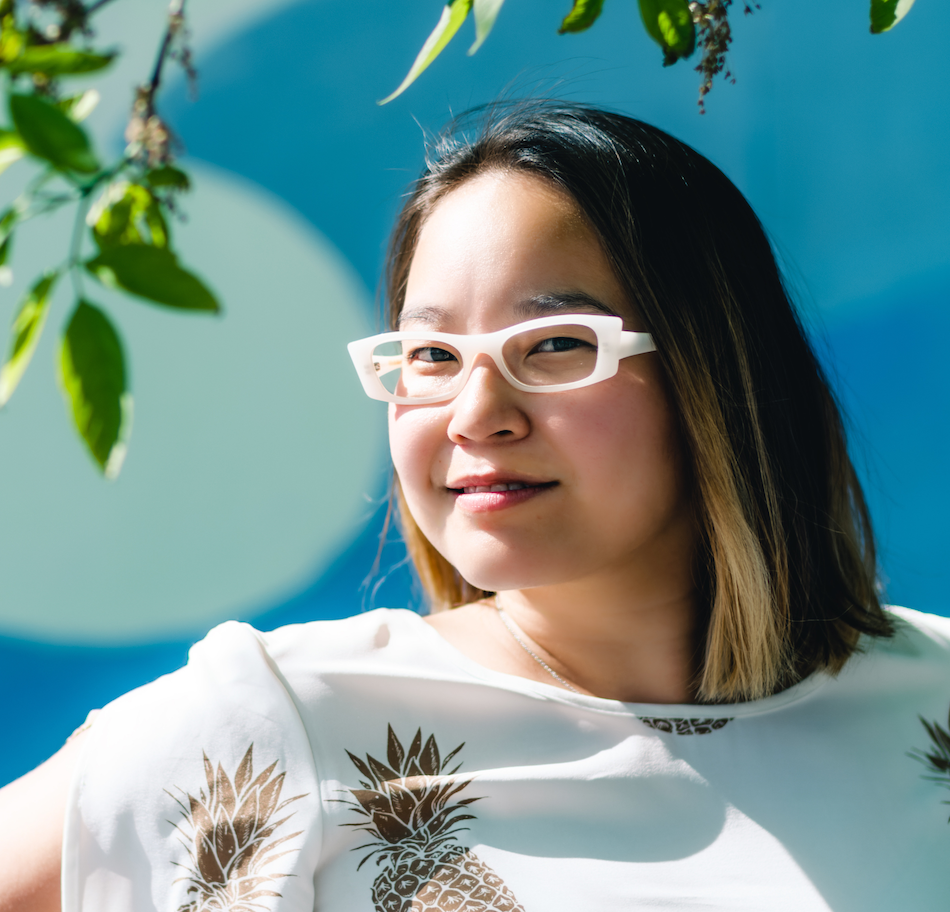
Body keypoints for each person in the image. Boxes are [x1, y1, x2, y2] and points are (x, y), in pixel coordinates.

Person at [2, 101, 948, 912]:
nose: (476, 414)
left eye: (553, 345)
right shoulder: (278, 724)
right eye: (431, 357)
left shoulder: (933, 698)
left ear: (719, 366)